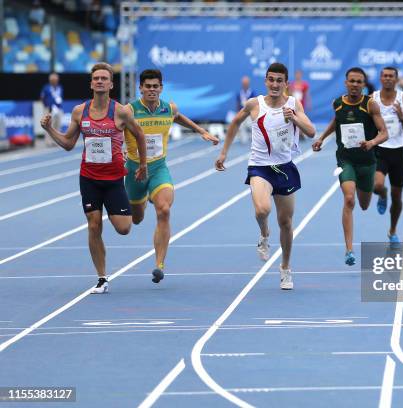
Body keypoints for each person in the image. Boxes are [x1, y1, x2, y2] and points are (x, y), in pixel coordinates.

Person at [40, 62, 148, 294]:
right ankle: (101, 278)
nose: (99, 81)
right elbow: (69, 143)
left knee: (124, 228)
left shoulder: (120, 111)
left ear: (111, 84)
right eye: (96, 78)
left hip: (114, 179)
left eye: (104, 78)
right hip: (89, 177)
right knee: (94, 225)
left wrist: (142, 163)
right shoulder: (80, 111)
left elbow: (139, 134)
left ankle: (126, 206)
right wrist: (50, 130)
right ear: (91, 83)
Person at [215, 63, 315, 290]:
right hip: (259, 167)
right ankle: (264, 232)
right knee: (262, 210)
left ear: (286, 84)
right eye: (271, 79)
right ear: (266, 82)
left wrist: (295, 118)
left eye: (280, 80)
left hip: (285, 168)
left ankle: (285, 268)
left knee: (286, 222)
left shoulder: (293, 104)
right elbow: (234, 123)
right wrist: (224, 152)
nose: (275, 84)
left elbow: (310, 131)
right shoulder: (254, 104)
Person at [124, 69, 219, 284]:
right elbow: (115, 128)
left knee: (164, 210)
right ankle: (144, 198)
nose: (151, 90)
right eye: (147, 86)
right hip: (135, 171)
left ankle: (159, 265)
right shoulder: (129, 110)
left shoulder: (168, 108)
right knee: (136, 219)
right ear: (140, 88)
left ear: (161, 88)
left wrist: (200, 131)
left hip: (158, 168)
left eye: (155, 86)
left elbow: (178, 117)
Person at [312, 67, 388, 266]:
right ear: (346, 83)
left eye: (359, 82)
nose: (355, 85)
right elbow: (335, 121)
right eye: (351, 81)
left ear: (364, 85)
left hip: (367, 161)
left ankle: (382, 191)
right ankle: (349, 250)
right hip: (346, 160)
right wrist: (321, 138)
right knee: (349, 199)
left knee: (364, 205)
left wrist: (371, 143)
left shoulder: (370, 105)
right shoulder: (337, 103)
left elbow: (384, 133)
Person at [371, 66, 403, 243]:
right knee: (377, 185)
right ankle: (382, 194)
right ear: (380, 78)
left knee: (397, 198)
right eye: (385, 76)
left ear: (396, 79)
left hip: (398, 153)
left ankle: (393, 230)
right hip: (380, 150)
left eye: (391, 76)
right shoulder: (372, 99)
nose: (388, 79)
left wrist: (402, 116)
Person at [40, 73, 64, 147]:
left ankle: (57, 141)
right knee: (48, 125)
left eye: (56, 80)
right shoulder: (46, 87)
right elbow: (42, 97)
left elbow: (60, 97)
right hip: (49, 109)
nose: (55, 81)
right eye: (53, 80)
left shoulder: (60, 87)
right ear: (50, 80)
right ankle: (48, 141)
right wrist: (46, 106)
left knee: (58, 125)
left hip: (58, 109)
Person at [236, 76, 255, 144]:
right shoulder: (239, 93)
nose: (245, 84)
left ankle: (255, 139)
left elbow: (255, 104)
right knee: (241, 126)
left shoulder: (252, 92)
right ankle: (244, 140)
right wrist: (238, 113)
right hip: (242, 112)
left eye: (246, 83)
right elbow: (237, 104)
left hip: (249, 113)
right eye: (244, 83)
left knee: (251, 126)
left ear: (248, 83)